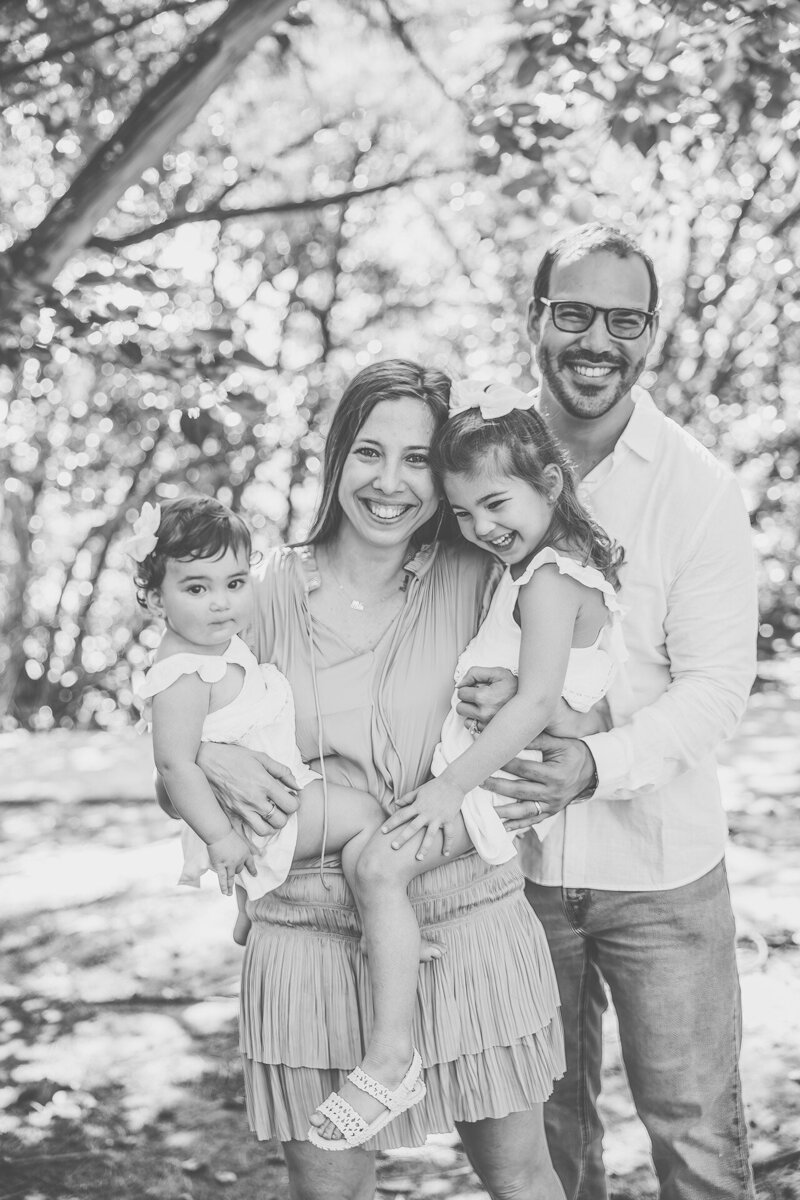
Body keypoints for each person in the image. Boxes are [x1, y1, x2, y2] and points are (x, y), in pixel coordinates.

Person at [174, 360, 570, 1198]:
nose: (389, 483)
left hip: (469, 925)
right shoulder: (261, 592)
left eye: (419, 460)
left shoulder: (487, 577)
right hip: (310, 945)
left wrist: (553, 713)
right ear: (335, 460)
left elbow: (580, 708)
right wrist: (208, 756)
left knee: (524, 1176)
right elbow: (170, 762)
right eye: (367, 453)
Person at [462, 224, 758, 1200]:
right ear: (535, 318)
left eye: (622, 320)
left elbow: (714, 688)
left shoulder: (697, 490)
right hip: (507, 876)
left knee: (698, 1144)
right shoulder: (469, 468)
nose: (597, 340)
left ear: (650, 333)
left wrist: (593, 763)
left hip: (659, 874)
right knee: (544, 1151)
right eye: (574, 313)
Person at [383, 378, 627, 873]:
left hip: (492, 772)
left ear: (551, 484)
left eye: (495, 504)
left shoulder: (549, 580)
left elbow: (537, 701)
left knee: (377, 868)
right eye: (463, 514)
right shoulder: (543, 566)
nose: (482, 528)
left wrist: (450, 786)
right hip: (488, 759)